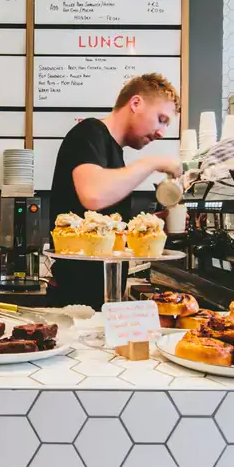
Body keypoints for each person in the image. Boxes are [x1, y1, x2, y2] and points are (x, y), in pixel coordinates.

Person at [49, 73, 182, 308]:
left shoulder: (115, 152)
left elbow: (109, 225)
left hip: (102, 294)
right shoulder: (89, 132)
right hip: (76, 300)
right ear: (136, 103)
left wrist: (153, 223)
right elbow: (93, 195)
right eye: (161, 119)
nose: (162, 132)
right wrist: (151, 163)